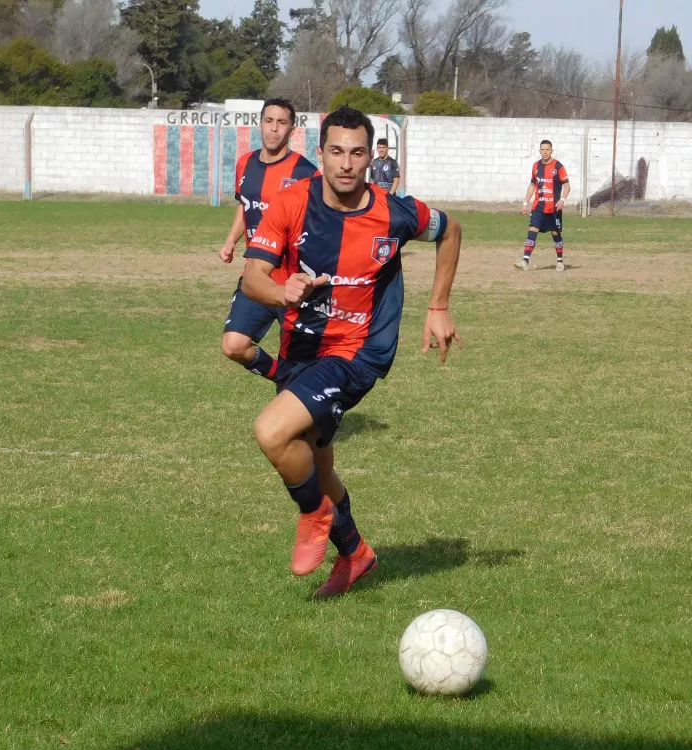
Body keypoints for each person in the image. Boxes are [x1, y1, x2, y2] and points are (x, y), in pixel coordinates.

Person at [240, 107, 462, 597]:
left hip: (358, 353)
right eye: (336, 151)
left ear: (371, 158)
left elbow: (450, 231)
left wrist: (438, 305)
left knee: (271, 431)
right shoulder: (290, 203)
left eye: (357, 152)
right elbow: (253, 276)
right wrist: (283, 292)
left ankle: (314, 514)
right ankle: (356, 553)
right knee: (317, 464)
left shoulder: (394, 212)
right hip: (300, 349)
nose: (346, 163)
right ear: (319, 154)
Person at [218, 98, 318, 380]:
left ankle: (313, 403)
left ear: (292, 129)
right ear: (260, 124)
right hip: (256, 276)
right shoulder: (245, 164)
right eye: (269, 121)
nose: (274, 129)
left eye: (281, 123)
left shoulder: (306, 173)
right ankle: (281, 375)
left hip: (294, 281)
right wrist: (231, 241)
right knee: (234, 345)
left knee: (308, 361)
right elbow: (245, 205)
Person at [516, 140, 569, 271]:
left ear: (551, 151)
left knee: (555, 233)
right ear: (540, 151)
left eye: (547, 149)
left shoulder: (558, 166)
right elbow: (533, 185)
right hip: (538, 207)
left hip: (554, 208)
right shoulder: (536, 166)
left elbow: (567, 186)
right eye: (542, 150)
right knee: (532, 231)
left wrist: (562, 199)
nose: (545, 152)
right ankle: (525, 261)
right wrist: (525, 203)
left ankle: (560, 262)